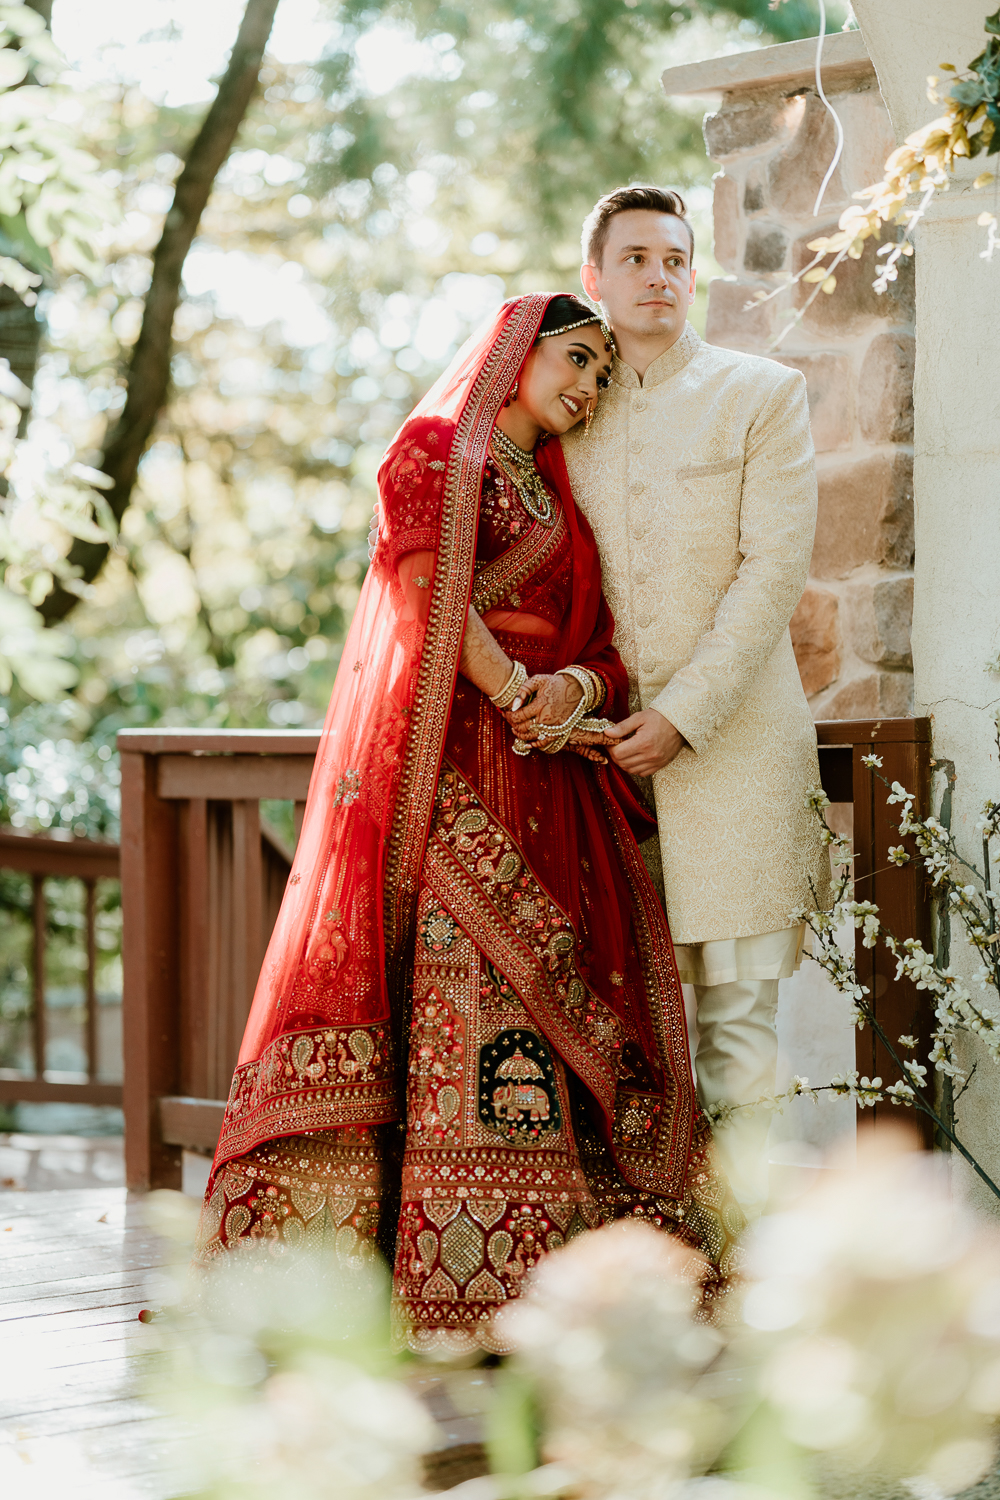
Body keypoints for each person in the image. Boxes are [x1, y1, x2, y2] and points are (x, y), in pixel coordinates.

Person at [196, 291, 740, 1354]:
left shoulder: (564, 496)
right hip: (449, 764)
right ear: (517, 349)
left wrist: (573, 691)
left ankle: (551, 1276)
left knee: (554, 995)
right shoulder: (435, 452)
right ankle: (441, 1277)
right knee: (463, 986)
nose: (587, 387)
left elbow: (605, 646)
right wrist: (515, 692)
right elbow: (421, 596)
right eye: (574, 359)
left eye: (602, 375)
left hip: (550, 777)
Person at [560, 186, 830, 1220]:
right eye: (634, 259)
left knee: (738, 1024)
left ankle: (755, 1259)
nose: (658, 277)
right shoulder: (566, 410)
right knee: (615, 1026)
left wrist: (682, 715)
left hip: (736, 752)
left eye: (675, 259)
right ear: (594, 278)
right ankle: (650, 1254)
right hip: (597, 766)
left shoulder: (760, 393)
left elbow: (772, 573)